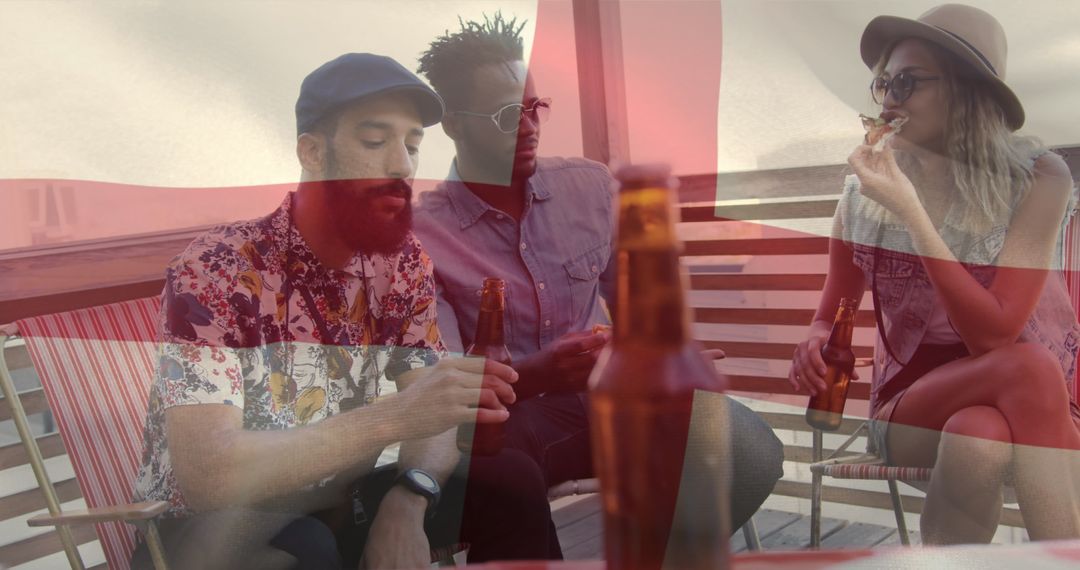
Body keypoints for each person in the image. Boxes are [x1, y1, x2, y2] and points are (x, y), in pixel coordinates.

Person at [131, 53, 557, 569]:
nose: (401, 164)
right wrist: (393, 419)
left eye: (413, 145)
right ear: (311, 152)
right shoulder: (218, 268)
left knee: (511, 481)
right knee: (305, 546)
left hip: (338, 496)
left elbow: (432, 414)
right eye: (375, 142)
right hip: (214, 529)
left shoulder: (399, 264)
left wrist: (409, 498)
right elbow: (209, 473)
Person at [413, 13, 785, 548]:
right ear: (452, 122)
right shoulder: (423, 235)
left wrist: (663, 353)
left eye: (534, 107)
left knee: (746, 447)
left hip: (613, 398)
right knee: (496, 476)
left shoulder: (588, 187)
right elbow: (450, 383)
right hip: (516, 420)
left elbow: (638, 311)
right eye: (503, 115)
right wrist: (537, 373)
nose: (528, 125)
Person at [789, 4, 1080, 544]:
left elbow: (992, 331)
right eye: (883, 83)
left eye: (908, 81)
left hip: (1023, 413)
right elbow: (832, 312)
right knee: (1030, 368)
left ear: (967, 91)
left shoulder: (1039, 176)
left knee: (978, 436)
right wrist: (813, 342)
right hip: (907, 412)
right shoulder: (865, 192)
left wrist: (913, 217)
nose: (890, 97)